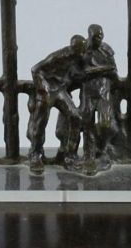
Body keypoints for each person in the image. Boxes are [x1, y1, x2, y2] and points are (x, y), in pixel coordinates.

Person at [27, 35, 87, 174]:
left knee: (75, 117)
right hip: (47, 91)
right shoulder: (58, 56)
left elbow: (78, 75)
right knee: (40, 123)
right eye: (81, 49)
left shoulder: (78, 59)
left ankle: (70, 155)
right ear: (74, 48)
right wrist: (43, 88)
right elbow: (35, 70)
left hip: (60, 91)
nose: (83, 52)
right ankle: (35, 155)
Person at [79, 24, 118, 173]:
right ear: (90, 36)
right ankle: (89, 155)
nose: (99, 39)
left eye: (101, 36)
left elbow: (113, 71)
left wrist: (100, 71)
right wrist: (104, 69)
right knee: (87, 124)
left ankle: (101, 150)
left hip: (104, 91)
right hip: (88, 92)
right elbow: (82, 73)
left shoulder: (106, 50)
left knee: (106, 124)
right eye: (96, 37)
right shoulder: (83, 50)